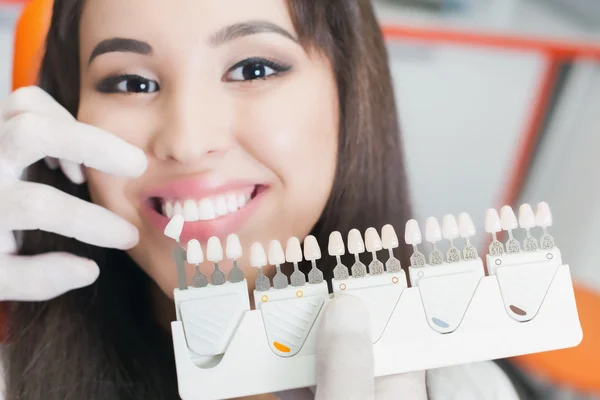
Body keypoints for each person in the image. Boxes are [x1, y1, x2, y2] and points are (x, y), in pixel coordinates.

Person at [0, 0, 521, 398]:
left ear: (350, 92)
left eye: (253, 70)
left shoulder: (463, 388)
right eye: (132, 82)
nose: (186, 141)